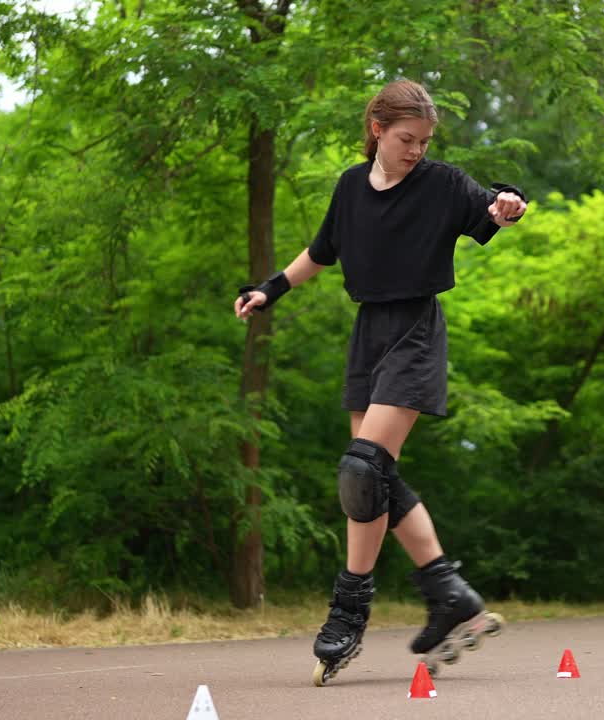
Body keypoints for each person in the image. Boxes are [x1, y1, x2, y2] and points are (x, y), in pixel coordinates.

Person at [233, 79, 527, 686]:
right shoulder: (349, 187)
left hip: (416, 329)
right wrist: (269, 288)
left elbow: (490, 203)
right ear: (377, 130)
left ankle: (348, 611)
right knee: (373, 479)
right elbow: (321, 251)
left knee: (364, 468)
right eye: (405, 139)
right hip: (369, 334)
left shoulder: (442, 184)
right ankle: (448, 594)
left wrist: (508, 202)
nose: (415, 150)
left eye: (423, 141)